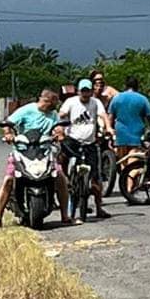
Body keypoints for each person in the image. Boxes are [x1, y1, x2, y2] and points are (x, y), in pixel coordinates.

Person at [0, 88, 70, 231]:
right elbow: (8, 123)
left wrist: (60, 133)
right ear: (46, 100)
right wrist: (8, 134)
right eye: (53, 103)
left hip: (44, 152)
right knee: (8, 180)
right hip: (22, 152)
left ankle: (65, 215)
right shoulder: (26, 110)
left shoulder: (53, 114)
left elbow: (59, 127)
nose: (55, 106)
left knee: (60, 177)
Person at [58, 79, 114, 220]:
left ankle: (99, 207)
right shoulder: (71, 102)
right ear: (78, 91)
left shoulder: (96, 103)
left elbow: (103, 116)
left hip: (90, 143)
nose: (85, 94)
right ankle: (66, 183)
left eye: (87, 91)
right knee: (62, 161)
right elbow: (62, 114)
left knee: (96, 177)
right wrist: (59, 127)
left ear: (91, 91)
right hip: (73, 141)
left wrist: (108, 127)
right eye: (83, 91)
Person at [109, 76, 150, 158]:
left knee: (122, 160)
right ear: (137, 86)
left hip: (120, 133)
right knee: (133, 160)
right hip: (137, 134)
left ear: (125, 85)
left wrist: (110, 130)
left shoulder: (116, 98)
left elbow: (111, 117)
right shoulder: (143, 99)